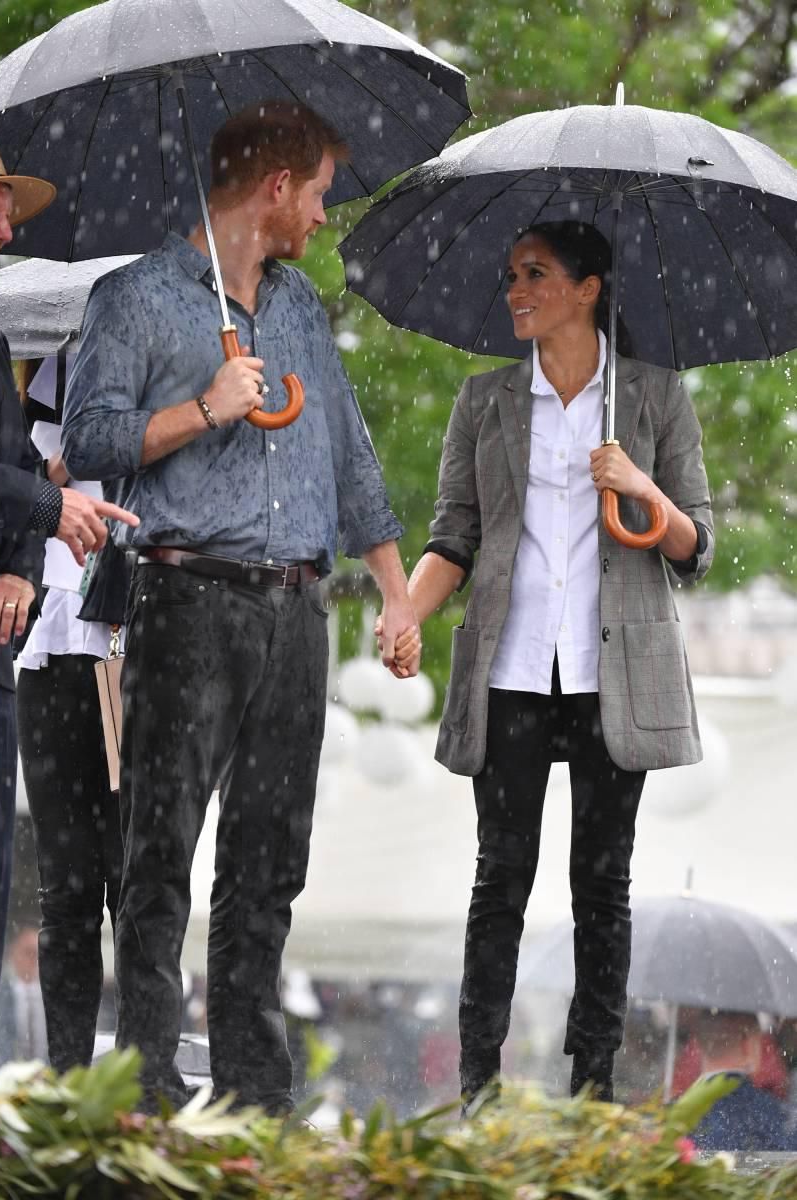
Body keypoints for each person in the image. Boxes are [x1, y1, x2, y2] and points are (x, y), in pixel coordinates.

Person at [61, 100, 416, 1113]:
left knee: (269, 860)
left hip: (297, 612)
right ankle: (145, 1084)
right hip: (184, 597)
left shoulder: (301, 307)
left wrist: (395, 594)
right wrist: (203, 409)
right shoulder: (134, 298)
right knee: (160, 850)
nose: (322, 214)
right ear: (275, 187)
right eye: (318, 194)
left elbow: (348, 457)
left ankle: (256, 1093)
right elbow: (87, 442)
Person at [390, 220, 714, 1106]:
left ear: (587, 289)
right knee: (500, 876)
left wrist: (641, 489)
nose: (515, 291)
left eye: (534, 274)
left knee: (601, 884)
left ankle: (594, 1086)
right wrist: (404, 613)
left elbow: (695, 548)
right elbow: (452, 538)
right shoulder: (483, 401)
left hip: (618, 675)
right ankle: (477, 1085)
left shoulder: (654, 397)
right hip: (513, 668)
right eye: (510, 275)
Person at [0, 133, 138, 1076]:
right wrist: (48, 503)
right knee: (63, 881)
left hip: (11, 650)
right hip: (38, 653)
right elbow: (12, 475)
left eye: (7, 211)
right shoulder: (28, 353)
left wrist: (20, 567)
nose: (3, 229)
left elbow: (12, 472)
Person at [15, 355, 125, 1073]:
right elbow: (12, 485)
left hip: (128, 645)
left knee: (135, 878)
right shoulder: (49, 370)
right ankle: (68, 1076)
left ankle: (146, 1078)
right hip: (51, 643)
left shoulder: (174, 370)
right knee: (66, 884)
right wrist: (54, 469)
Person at [691, 1011, 795, 1152]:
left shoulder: (670, 1118)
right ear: (747, 1045)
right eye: (759, 1042)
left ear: (698, 1045)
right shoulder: (781, 1118)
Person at [0, 925, 48, 1067]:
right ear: (13, 953)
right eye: (28, 952)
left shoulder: (51, 996)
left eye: (38, 954)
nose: (34, 959)